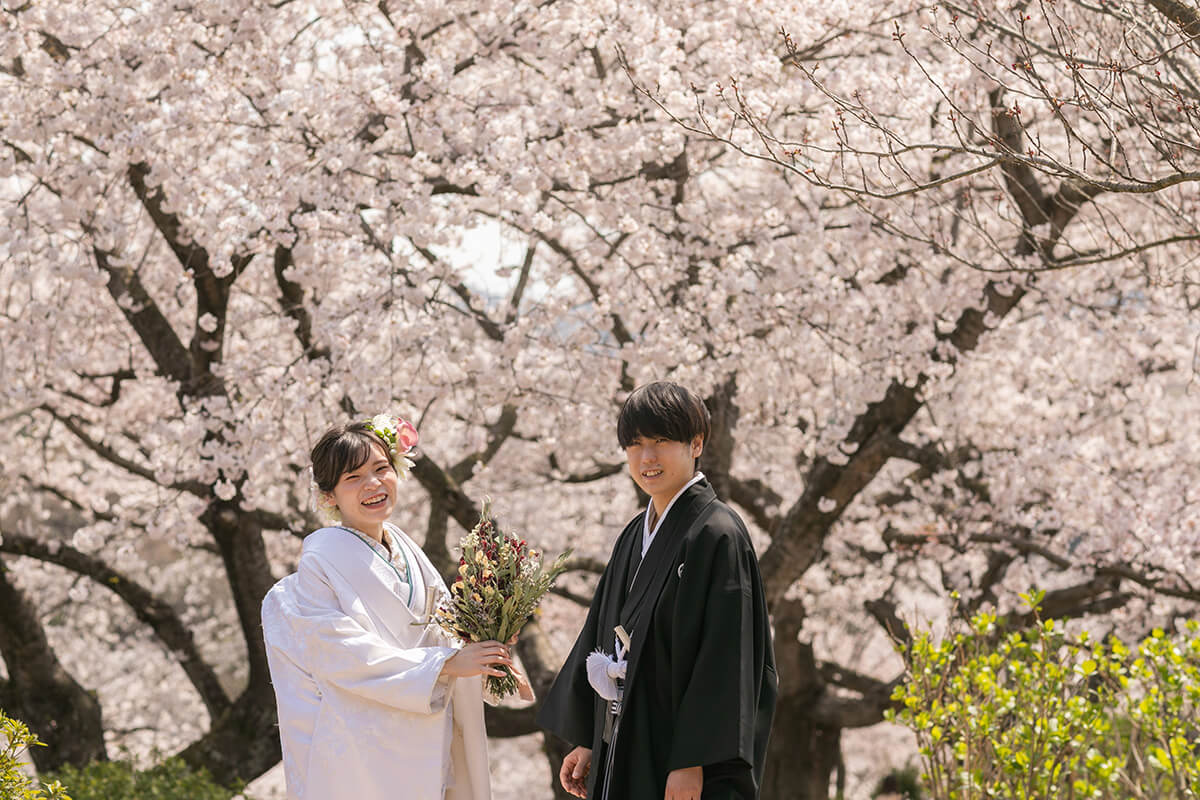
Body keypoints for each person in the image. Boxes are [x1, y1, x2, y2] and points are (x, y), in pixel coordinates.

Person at [261, 414, 532, 800]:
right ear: (328, 496)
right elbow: (339, 653)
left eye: (381, 469)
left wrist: (488, 650)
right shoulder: (319, 563)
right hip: (365, 749)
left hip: (427, 734)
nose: (373, 484)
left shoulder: (407, 551)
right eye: (353, 478)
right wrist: (446, 665)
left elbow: (443, 629)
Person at [538, 382, 778, 800]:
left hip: (679, 756)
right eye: (635, 445)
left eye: (662, 441)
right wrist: (591, 737)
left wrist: (691, 761)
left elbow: (727, 658)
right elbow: (602, 637)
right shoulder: (635, 533)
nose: (647, 457)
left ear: (696, 443)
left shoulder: (717, 533)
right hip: (625, 738)